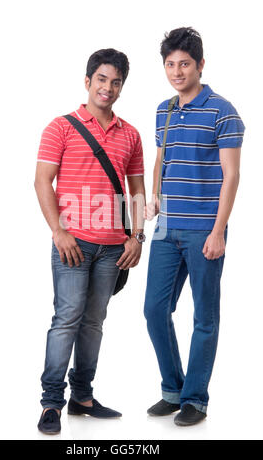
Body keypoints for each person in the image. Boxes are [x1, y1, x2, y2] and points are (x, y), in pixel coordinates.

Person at [34, 48, 145, 434]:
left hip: (114, 248)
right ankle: (52, 403)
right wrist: (59, 231)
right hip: (73, 244)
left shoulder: (130, 134)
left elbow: (136, 190)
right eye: (102, 79)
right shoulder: (60, 127)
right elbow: (41, 181)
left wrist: (137, 236)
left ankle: (82, 397)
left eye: (116, 82)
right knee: (66, 320)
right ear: (87, 81)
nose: (108, 88)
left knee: (94, 323)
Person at [144, 27, 245, 426]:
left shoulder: (223, 111)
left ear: (200, 65)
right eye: (170, 64)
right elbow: (161, 159)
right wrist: (153, 195)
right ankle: (173, 389)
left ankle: (195, 400)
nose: (176, 71)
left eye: (184, 64)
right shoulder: (163, 110)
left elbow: (231, 175)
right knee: (155, 310)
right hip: (167, 230)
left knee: (204, 316)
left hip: (206, 229)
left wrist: (219, 230)